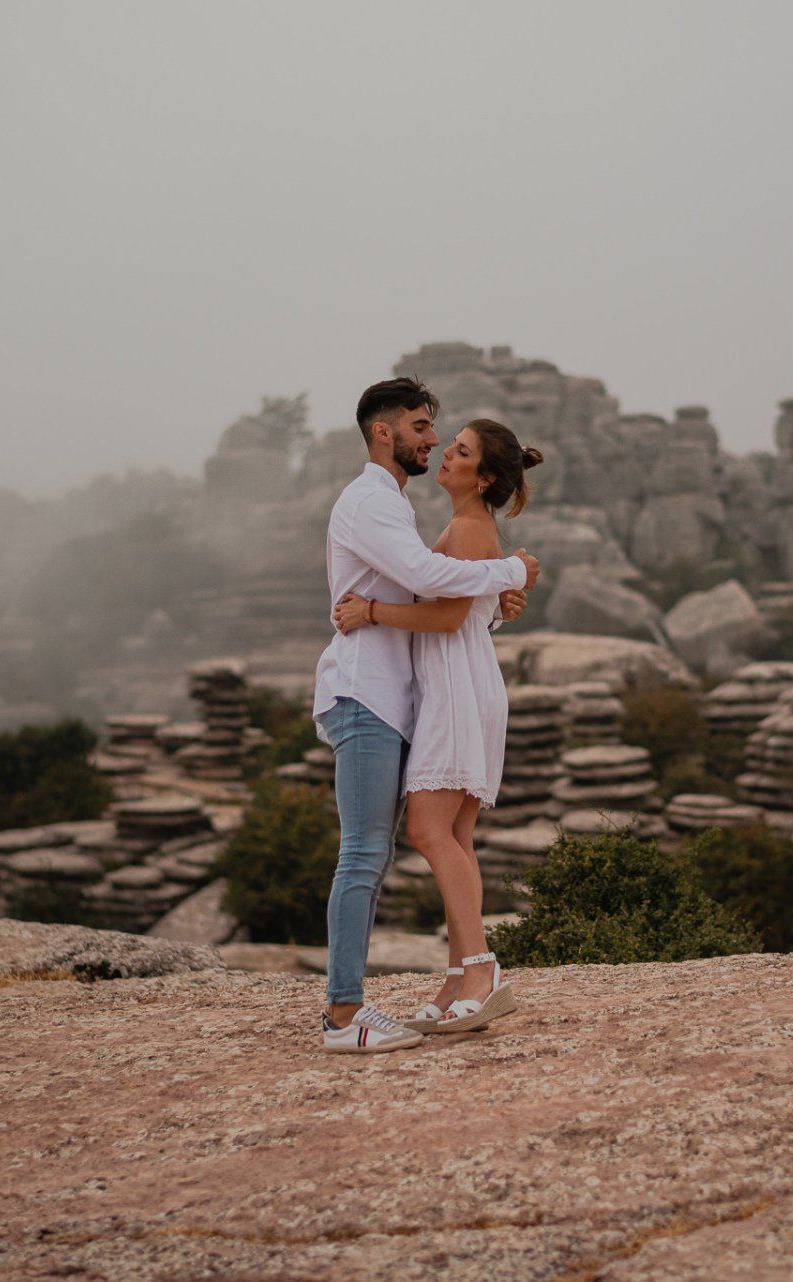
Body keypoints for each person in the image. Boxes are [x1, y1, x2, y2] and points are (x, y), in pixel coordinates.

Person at [313, 379, 538, 1055]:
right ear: (383, 432)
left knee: (422, 836)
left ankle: (467, 970)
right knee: (382, 848)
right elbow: (427, 578)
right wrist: (508, 576)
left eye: (450, 440)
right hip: (374, 695)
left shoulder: (416, 511)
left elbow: (438, 600)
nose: (433, 441)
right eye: (421, 428)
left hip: (418, 696)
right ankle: (359, 1009)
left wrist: (498, 591)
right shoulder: (373, 505)